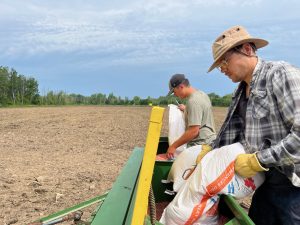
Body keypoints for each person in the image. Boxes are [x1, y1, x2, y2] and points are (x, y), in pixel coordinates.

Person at [206, 25, 300, 225]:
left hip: (294, 185)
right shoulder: (241, 91)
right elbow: (233, 133)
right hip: (266, 181)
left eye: (224, 61)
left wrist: (259, 160)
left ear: (247, 49)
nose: (222, 69)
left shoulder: (280, 74)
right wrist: (209, 151)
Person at [166, 73, 216, 159]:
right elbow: (200, 112)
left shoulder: (193, 102)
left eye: (174, 91)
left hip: (200, 146)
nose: (175, 95)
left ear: (181, 86)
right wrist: (186, 109)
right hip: (210, 141)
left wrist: (173, 146)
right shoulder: (201, 94)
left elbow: (193, 131)